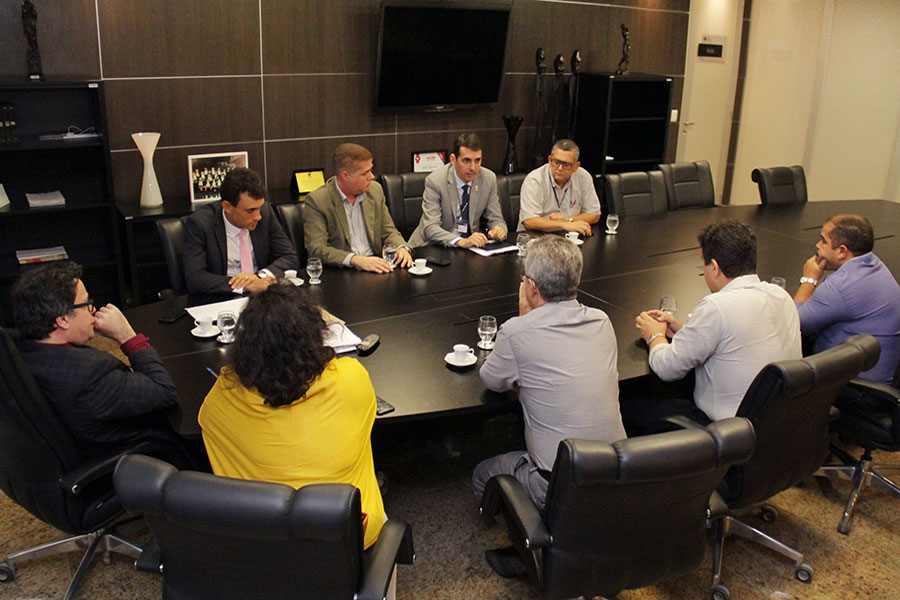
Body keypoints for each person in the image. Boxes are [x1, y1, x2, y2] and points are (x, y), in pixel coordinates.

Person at [198, 284, 385, 550]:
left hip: (260, 543)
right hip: (348, 537)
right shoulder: (351, 380)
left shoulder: (221, 400)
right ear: (314, 337)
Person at [472, 236, 626, 511]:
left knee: (482, 474)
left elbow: (491, 380)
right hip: (616, 471)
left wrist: (523, 319)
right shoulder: (602, 321)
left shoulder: (516, 332)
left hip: (555, 482)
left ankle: (536, 525)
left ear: (532, 287)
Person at [12, 262, 202, 467]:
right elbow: (164, 391)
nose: (92, 309)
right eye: (86, 304)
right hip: (149, 457)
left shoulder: (23, 350)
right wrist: (126, 335)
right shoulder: (89, 374)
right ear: (63, 320)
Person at [629, 220, 801, 435]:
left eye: (704, 263)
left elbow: (667, 368)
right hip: (779, 425)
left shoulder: (717, 306)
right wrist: (685, 331)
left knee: (632, 406)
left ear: (715, 268)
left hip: (729, 432)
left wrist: (654, 335)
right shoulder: (781, 295)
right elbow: (736, 341)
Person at [793, 214, 900, 384]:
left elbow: (794, 324)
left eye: (823, 241)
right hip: (878, 376)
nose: (817, 245)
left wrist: (809, 279)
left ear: (842, 251)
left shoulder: (840, 286)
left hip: (854, 387)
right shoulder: (876, 266)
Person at [183, 167, 298, 295]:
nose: (258, 216)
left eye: (259, 208)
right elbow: (195, 278)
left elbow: (289, 256)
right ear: (227, 207)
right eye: (250, 211)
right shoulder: (200, 224)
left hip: (262, 293)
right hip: (223, 296)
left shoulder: (265, 213)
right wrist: (244, 285)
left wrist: (260, 276)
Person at [304, 143, 413, 273]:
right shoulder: (318, 201)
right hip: (343, 271)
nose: (371, 177)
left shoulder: (375, 191)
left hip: (378, 266)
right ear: (345, 176)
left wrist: (401, 247)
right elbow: (317, 248)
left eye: (371, 170)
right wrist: (355, 259)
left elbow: (388, 230)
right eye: (365, 173)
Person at [407, 133, 507, 248]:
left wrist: (499, 230)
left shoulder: (488, 179)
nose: (473, 168)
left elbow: (497, 219)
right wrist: (460, 241)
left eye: (477, 160)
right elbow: (430, 227)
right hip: (431, 246)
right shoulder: (435, 181)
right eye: (466, 160)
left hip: (469, 247)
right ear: (453, 160)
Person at [517, 139, 601, 235]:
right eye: (556, 162)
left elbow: (594, 214)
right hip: (536, 236)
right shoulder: (535, 180)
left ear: (576, 166)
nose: (560, 168)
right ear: (550, 160)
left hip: (569, 236)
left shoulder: (583, 177)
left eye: (566, 164)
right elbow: (529, 221)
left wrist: (569, 220)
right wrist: (564, 225)